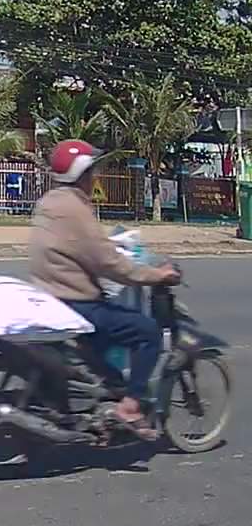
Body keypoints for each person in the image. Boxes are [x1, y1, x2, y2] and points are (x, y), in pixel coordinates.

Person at [28, 139, 181, 439]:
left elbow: (80, 247)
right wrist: (155, 275)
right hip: (75, 300)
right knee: (147, 332)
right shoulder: (75, 209)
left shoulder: (50, 201)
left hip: (49, 293)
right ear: (82, 174)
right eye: (92, 171)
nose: (95, 177)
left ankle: (106, 395)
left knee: (103, 355)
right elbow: (109, 264)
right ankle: (130, 406)